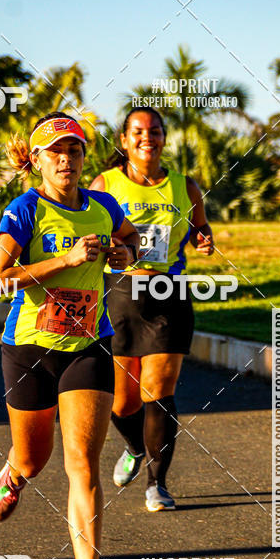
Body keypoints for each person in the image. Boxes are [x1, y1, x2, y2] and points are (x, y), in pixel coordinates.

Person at [0, 112, 141, 559]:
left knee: (82, 463)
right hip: (30, 350)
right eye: (54, 152)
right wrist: (65, 261)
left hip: (89, 347)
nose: (65, 159)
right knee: (35, 458)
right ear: (36, 161)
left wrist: (122, 252)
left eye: (73, 151)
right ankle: (13, 474)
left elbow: (131, 241)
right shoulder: (26, 209)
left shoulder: (102, 206)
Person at [90, 106, 214, 512]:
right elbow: (84, 230)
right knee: (123, 403)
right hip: (119, 297)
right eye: (138, 132)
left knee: (159, 393)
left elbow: (199, 227)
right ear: (124, 141)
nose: (148, 138)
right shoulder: (105, 185)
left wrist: (203, 240)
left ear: (164, 138)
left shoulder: (185, 186)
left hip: (168, 296)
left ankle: (156, 485)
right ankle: (133, 446)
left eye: (155, 131)